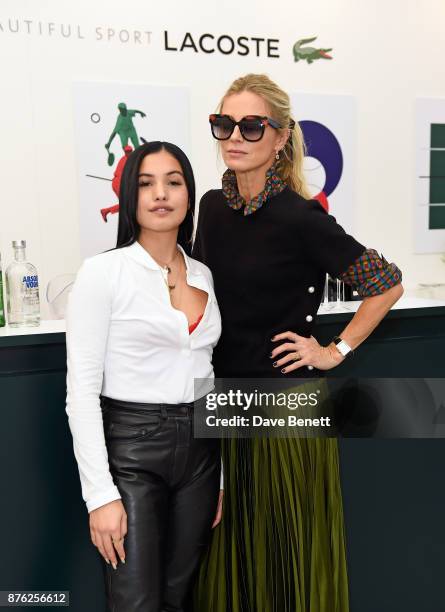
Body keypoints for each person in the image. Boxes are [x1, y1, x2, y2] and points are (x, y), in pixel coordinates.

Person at [192, 74, 403, 612]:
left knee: (288, 560)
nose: (234, 136)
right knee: (230, 557)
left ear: (281, 137)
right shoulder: (212, 208)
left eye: (251, 126)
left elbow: (386, 283)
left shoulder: (301, 217)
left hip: (287, 410)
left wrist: (334, 350)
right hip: (225, 404)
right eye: (224, 124)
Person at [65, 141, 223, 612]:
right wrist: (99, 496)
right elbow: (81, 393)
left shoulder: (204, 275)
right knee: (136, 603)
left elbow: (207, 375)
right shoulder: (103, 273)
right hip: (133, 452)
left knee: (179, 598)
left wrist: (220, 483)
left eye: (174, 182)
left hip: (201, 454)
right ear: (130, 198)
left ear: (189, 196)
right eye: (146, 183)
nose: (161, 194)